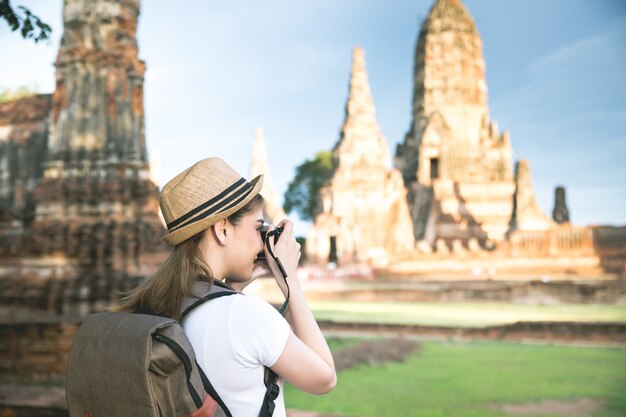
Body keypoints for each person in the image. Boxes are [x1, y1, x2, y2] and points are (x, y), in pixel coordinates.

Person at [116, 157, 336, 417]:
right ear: (223, 231)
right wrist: (291, 283)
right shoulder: (247, 315)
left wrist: (234, 287)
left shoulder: (160, 305)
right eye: (258, 228)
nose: (262, 241)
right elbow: (325, 378)